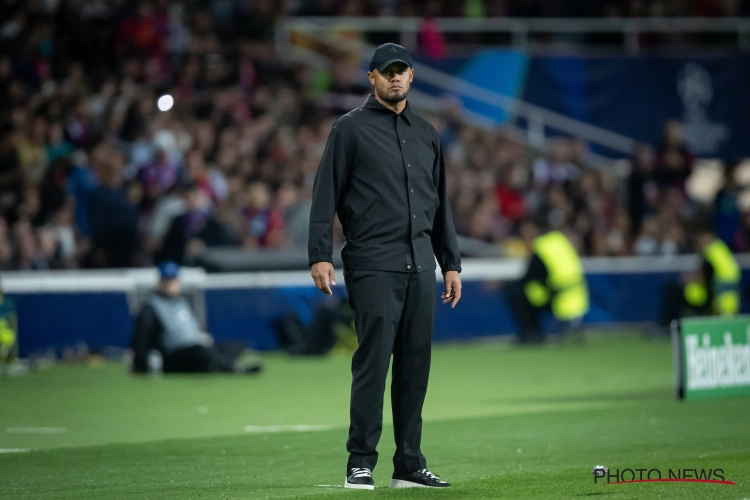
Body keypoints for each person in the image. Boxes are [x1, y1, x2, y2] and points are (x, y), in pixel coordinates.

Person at [308, 43, 462, 490]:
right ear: (371, 78)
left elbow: (439, 204)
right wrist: (319, 254)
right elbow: (325, 194)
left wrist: (451, 263)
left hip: (421, 265)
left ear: (412, 77)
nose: (395, 77)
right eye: (386, 71)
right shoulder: (348, 129)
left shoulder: (427, 133)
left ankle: (409, 465)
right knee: (373, 363)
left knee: (415, 367)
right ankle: (360, 462)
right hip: (373, 263)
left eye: (402, 70)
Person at [129, 261, 262, 374]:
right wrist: (143, 361)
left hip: (193, 346)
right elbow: (141, 340)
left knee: (236, 345)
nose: (171, 284)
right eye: (167, 280)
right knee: (202, 352)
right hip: (173, 353)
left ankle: (214, 363)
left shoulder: (181, 303)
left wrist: (200, 337)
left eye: (173, 280)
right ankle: (235, 369)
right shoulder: (150, 308)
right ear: (160, 282)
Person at [505, 228, 590, 344]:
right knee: (528, 290)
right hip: (578, 297)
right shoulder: (560, 241)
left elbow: (530, 275)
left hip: (559, 297)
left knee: (515, 291)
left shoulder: (542, 247)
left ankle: (531, 333)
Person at [661, 229, 740, 327]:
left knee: (672, 291)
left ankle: (669, 324)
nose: (699, 242)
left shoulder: (711, 251)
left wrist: (687, 278)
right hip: (723, 297)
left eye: (701, 238)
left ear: (709, 236)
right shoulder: (721, 249)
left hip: (711, 297)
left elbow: (704, 274)